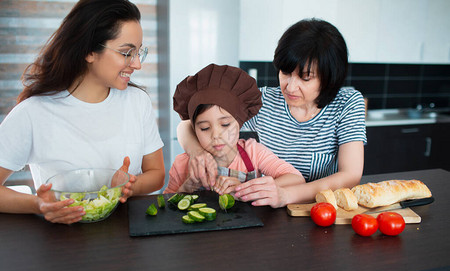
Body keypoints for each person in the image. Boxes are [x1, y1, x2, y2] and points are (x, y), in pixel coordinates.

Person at [0, 0, 165, 224]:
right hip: (62, 242)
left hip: (130, 237)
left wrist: (130, 186)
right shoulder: (33, 113)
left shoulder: (137, 102)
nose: (137, 64)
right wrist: (38, 204)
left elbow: (156, 173)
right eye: (127, 53)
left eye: (139, 52)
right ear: (89, 51)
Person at [177, 19, 366, 207]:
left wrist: (286, 195)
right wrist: (197, 153)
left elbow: (350, 175)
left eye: (305, 77)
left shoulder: (347, 103)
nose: (290, 87)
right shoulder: (265, 100)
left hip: (322, 208)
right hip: (270, 208)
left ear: (329, 78)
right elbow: (186, 125)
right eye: (285, 72)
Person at [165, 64, 305, 203]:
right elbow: (165, 207)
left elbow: (296, 179)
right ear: (194, 130)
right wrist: (185, 188)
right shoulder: (182, 163)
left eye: (225, 125)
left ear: (239, 123)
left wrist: (244, 189)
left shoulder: (253, 152)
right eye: (205, 128)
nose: (216, 135)